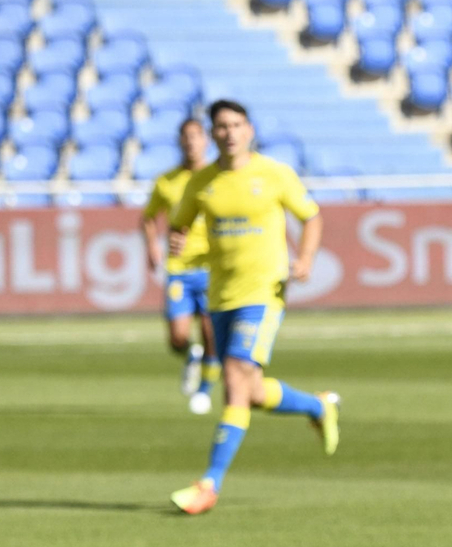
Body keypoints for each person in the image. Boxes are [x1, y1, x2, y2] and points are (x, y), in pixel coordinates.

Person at [167, 99, 337, 516]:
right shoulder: (202, 182)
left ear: (249, 130)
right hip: (219, 295)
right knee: (250, 390)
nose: (229, 132)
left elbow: (311, 216)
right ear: (213, 134)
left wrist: (307, 258)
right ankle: (319, 406)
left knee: (234, 376)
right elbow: (179, 223)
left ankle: (209, 484)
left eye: (236, 124)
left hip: (262, 292)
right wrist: (177, 240)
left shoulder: (274, 174)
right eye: (221, 126)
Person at [141, 118, 218, 415]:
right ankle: (190, 355)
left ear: (206, 141)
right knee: (177, 337)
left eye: (196, 136)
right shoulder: (167, 181)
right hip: (179, 268)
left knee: (212, 332)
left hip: (211, 266)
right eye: (186, 136)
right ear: (179, 141)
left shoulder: (217, 178)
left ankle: (205, 391)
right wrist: (151, 245)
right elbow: (149, 217)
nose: (191, 142)